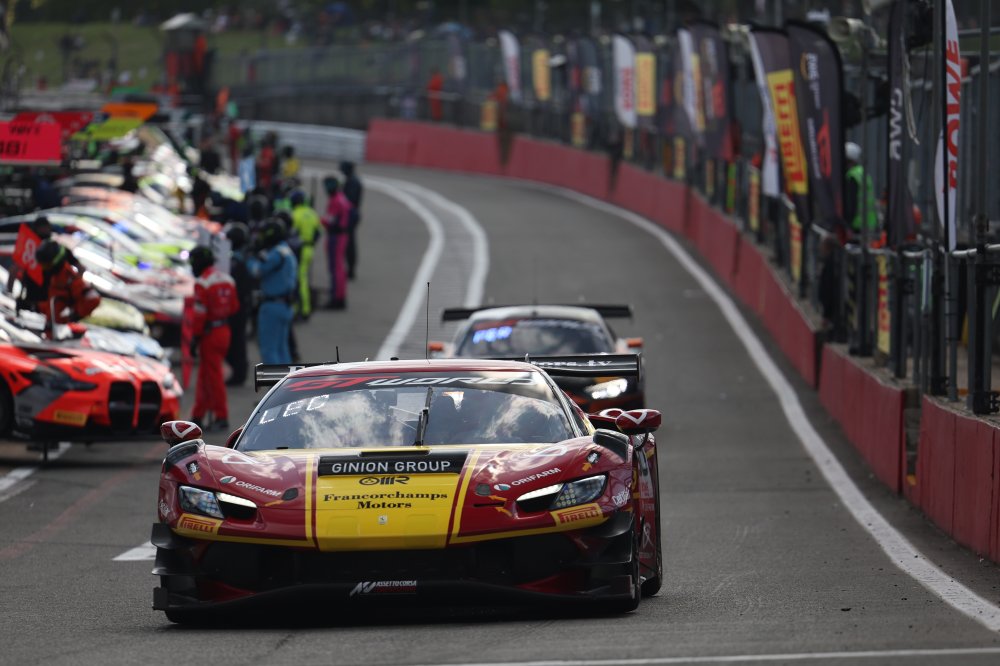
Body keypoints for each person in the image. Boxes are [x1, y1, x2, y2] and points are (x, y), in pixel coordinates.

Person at [186, 246, 239, 430]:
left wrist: (195, 338)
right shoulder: (227, 279)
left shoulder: (202, 283)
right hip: (224, 330)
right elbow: (234, 307)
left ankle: (221, 416)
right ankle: (198, 415)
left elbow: (200, 314)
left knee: (214, 377)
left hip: (210, 334)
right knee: (205, 375)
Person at [248, 219, 298, 364]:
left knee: (268, 350)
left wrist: (250, 258)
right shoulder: (286, 250)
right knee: (282, 349)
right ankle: (287, 379)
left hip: (272, 306)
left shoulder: (275, 254)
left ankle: (274, 378)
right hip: (285, 304)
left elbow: (257, 270)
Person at [34, 240, 101, 329]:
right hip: (53, 330)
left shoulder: (70, 279)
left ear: (55, 262)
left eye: (46, 265)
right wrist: (35, 306)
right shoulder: (56, 278)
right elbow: (53, 306)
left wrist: (73, 316)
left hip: (63, 331)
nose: (44, 269)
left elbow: (93, 299)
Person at [223, 223, 254, 387]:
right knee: (238, 339)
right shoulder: (245, 256)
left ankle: (238, 373)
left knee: (236, 340)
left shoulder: (235, 261)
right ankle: (239, 371)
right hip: (243, 303)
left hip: (237, 305)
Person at [290, 190, 322, 319]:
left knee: (300, 279)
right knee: (304, 277)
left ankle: (303, 308)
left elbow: (291, 234)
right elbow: (318, 232)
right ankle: (303, 307)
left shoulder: (295, 214)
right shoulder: (312, 213)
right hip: (309, 248)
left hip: (300, 250)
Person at [321, 176, 351, 309]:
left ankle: (337, 298)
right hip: (341, 235)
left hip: (336, 236)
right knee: (339, 267)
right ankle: (339, 296)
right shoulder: (342, 197)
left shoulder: (335, 200)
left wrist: (318, 220)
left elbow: (330, 221)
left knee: (336, 268)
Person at [844, 141, 879, 236]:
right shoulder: (863, 173)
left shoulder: (852, 176)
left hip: (857, 226)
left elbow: (851, 204)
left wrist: (846, 225)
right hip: (870, 225)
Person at [340, 161, 363, 280]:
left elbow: (350, 200)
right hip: (351, 214)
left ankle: (351, 269)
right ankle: (349, 268)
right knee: (348, 242)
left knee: (349, 243)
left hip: (350, 215)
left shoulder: (353, 182)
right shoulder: (351, 180)